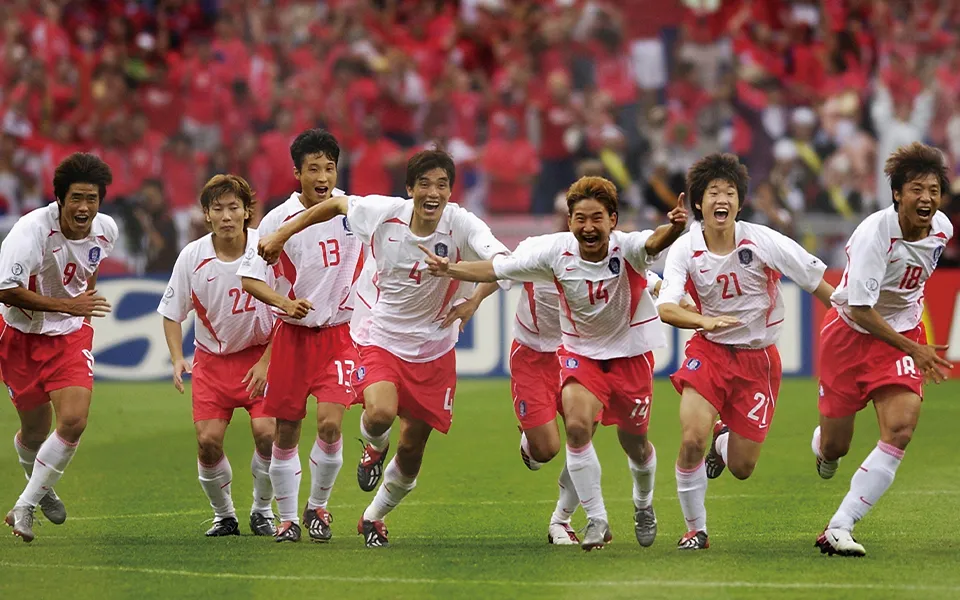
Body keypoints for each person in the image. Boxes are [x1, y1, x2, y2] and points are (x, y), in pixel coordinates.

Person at [257, 150, 511, 548]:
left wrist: (472, 298)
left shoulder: (462, 224)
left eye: (442, 185)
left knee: (412, 450)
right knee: (378, 414)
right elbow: (335, 204)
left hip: (434, 345)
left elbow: (503, 264)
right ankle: (373, 448)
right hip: (380, 334)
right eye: (424, 184)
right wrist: (281, 234)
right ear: (409, 190)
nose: (433, 193)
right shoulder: (383, 212)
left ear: (450, 191)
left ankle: (373, 516)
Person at [419, 175, 687, 551]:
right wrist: (452, 271)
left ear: (612, 219)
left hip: (628, 357)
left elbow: (654, 243)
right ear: (566, 218)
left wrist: (674, 229)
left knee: (636, 445)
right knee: (577, 431)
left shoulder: (626, 248)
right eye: (578, 218)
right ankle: (590, 519)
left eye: (596, 218)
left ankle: (643, 505)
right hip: (574, 355)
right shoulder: (546, 251)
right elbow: (497, 269)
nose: (586, 227)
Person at [655, 153, 835, 551]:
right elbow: (666, 307)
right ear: (698, 203)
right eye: (713, 192)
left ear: (739, 201)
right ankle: (695, 530)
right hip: (710, 351)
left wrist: (846, 319)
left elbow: (815, 279)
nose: (722, 198)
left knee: (742, 467)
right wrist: (704, 323)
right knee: (690, 438)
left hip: (758, 360)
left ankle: (724, 440)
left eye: (730, 192)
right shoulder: (685, 250)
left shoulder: (763, 240)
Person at [448, 263, 676, 547]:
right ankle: (532, 441)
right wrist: (474, 299)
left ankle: (561, 520)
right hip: (534, 355)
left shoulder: (607, 257)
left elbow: (647, 277)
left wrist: (666, 290)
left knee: (581, 433)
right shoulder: (541, 255)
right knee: (544, 450)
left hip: (580, 354)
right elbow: (499, 270)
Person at [813, 142, 953, 557]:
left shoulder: (942, 228)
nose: (926, 198)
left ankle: (840, 525)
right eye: (916, 189)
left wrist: (913, 341)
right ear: (896, 193)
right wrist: (916, 346)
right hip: (849, 336)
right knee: (834, 447)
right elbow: (860, 307)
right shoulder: (876, 234)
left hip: (901, 339)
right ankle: (824, 446)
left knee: (901, 428)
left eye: (933, 189)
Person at [238, 129, 363, 543]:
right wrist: (284, 304)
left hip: (339, 336)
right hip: (292, 336)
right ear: (297, 173)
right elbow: (251, 279)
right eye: (314, 169)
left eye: (329, 167)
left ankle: (319, 507)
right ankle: (288, 518)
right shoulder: (275, 220)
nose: (323, 176)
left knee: (330, 425)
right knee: (286, 430)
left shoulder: (354, 210)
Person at [0, 153, 117, 542]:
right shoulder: (30, 231)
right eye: (76, 199)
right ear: (60, 200)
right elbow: (6, 290)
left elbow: (89, 267)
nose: (84, 208)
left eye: (92, 199)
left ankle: (25, 505)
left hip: (69, 335)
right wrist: (70, 304)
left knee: (74, 420)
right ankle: (42, 485)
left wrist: (78, 309)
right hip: (20, 338)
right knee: (34, 432)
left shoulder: (106, 230)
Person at [157, 174, 277, 537]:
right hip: (212, 361)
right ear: (206, 214)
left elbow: (288, 309)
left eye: (234, 208)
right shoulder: (192, 257)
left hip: (262, 355)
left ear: (246, 213)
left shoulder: (268, 248)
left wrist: (268, 361)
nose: (226, 216)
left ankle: (262, 510)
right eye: (218, 208)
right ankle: (224, 515)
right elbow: (171, 313)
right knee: (208, 442)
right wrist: (178, 357)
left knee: (267, 434)